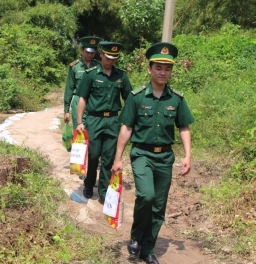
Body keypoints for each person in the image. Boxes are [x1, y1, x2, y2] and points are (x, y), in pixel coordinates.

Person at [111, 42, 194, 264]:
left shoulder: (177, 98)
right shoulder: (137, 97)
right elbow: (126, 127)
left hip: (165, 157)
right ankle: (136, 236)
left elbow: (184, 127)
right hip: (142, 154)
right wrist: (118, 158)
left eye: (167, 69)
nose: (163, 72)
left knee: (159, 205)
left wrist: (187, 155)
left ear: (171, 71)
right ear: (149, 69)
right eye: (158, 67)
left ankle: (147, 248)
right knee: (146, 196)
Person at [75, 41, 133, 202]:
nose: (111, 61)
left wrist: (127, 119)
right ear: (101, 54)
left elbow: (129, 98)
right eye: (108, 57)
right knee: (93, 155)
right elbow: (82, 98)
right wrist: (80, 122)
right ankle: (88, 183)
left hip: (113, 120)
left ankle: (103, 191)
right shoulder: (91, 74)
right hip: (94, 120)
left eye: (114, 58)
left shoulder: (121, 76)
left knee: (108, 157)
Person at [64, 36, 102, 129]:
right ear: (82, 50)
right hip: (78, 100)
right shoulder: (74, 66)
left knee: (93, 133)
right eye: (88, 52)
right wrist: (66, 110)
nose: (90, 55)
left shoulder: (99, 66)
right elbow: (69, 88)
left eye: (92, 53)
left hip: (93, 102)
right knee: (79, 134)